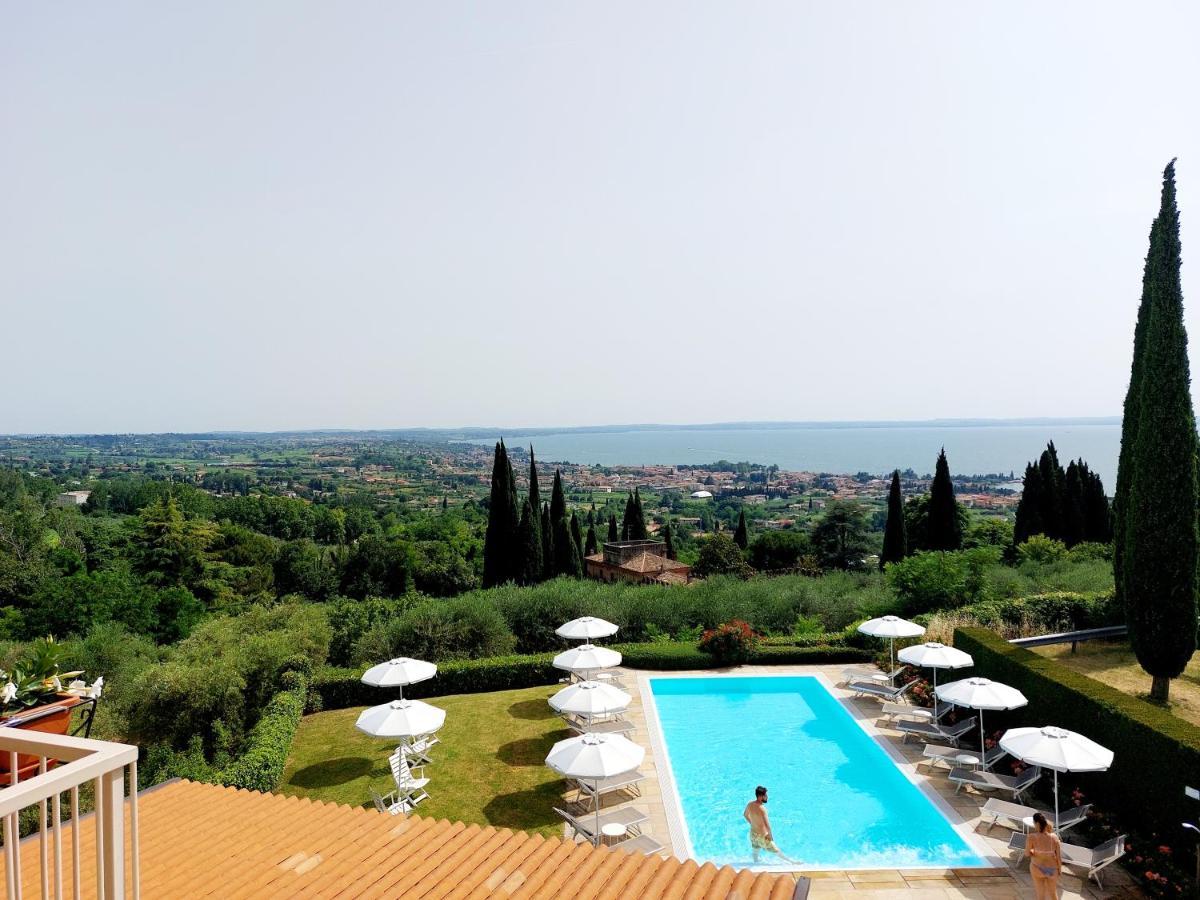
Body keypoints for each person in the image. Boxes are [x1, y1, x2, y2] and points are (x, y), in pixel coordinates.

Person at [1025, 811, 1062, 899]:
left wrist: (1034, 852)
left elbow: (1026, 853)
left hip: (1037, 867)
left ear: (1036, 823)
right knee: (1053, 893)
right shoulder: (1055, 837)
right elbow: (1059, 857)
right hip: (1053, 869)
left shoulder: (1031, 837)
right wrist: (1060, 870)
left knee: (1040, 895)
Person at [743, 785, 780, 863]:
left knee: (755, 852)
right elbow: (767, 826)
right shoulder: (762, 809)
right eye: (765, 795)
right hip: (762, 836)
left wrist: (752, 823)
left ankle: (755, 864)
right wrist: (771, 837)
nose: (767, 797)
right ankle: (793, 863)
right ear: (760, 796)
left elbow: (745, 815)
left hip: (753, 834)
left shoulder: (750, 804)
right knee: (777, 851)